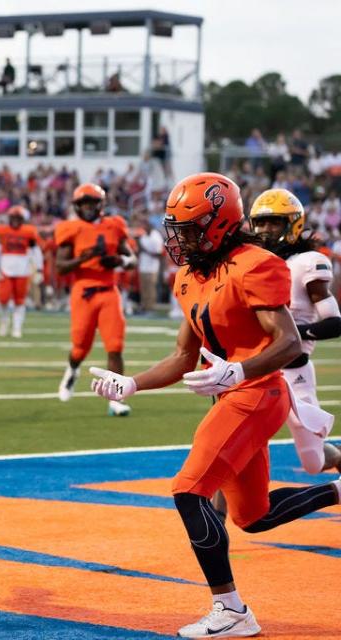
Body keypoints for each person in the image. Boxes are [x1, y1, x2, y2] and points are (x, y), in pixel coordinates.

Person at [89, 172, 341, 639]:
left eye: (189, 229)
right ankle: (336, 491)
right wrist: (132, 384)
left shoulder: (256, 264)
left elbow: (287, 342)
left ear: (220, 223)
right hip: (236, 393)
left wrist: (240, 370)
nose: (179, 240)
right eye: (176, 229)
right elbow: (184, 355)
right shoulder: (189, 275)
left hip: (258, 391)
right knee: (253, 516)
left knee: (189, 490)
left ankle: (231, 610)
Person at [248, 188, 341, 473]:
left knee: (313, 462)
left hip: (294, 372)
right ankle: (217, 514)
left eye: (274, 222)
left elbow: (335, 322)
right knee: (235, 441)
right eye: (261, 223)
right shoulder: (250, 262)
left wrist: (293, 335)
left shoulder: (306, 263)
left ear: (293, 224)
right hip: (256, 370)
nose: (265, 230)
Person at [54, 183, 136, 416]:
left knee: (115, 346)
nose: (89, 208)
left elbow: (132, 258)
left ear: (100, 205)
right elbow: (60, 267)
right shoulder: (70, 228)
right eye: (84, 204)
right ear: (77, 206)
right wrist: (83, 258)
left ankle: (116, 399)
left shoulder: (114, 225)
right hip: (83, 291)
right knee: (80, 347)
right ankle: (72, 370)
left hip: (109, 289)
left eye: (92, 203)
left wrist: (118, 261)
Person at [0, 205, 43, 338]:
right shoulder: (2, 231)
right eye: (13, 218)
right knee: (3, 299)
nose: (15, 221)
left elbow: (35, 251)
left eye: (18, 218)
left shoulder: (29, 232)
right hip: (5, 269)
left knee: (20, 301)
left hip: (22, 270)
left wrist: (39, 269)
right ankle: (4, 322)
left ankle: (17, 326)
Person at [136, 216, 164, 314]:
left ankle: (151, 308)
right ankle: (144, 307)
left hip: (152, 267)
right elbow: (139, 251)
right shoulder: (143, 236)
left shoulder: (156, 236)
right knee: (143, 288)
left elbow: (159, 253)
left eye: (145, 225)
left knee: (151, 289)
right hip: (143, 266)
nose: (143, 227)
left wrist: (144, 249)